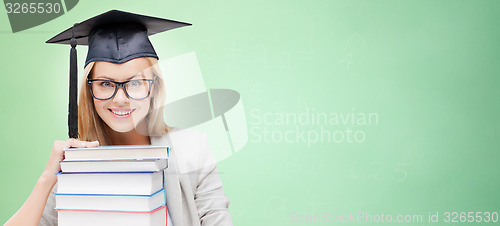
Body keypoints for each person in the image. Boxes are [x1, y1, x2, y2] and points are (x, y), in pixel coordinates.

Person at [4, 10, 232, 226]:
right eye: (105, 84)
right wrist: (47, 179)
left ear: (154, 88)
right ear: (88, 90)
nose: (121, 99)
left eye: (135, 83)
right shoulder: (76, 164)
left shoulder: (192, 150)